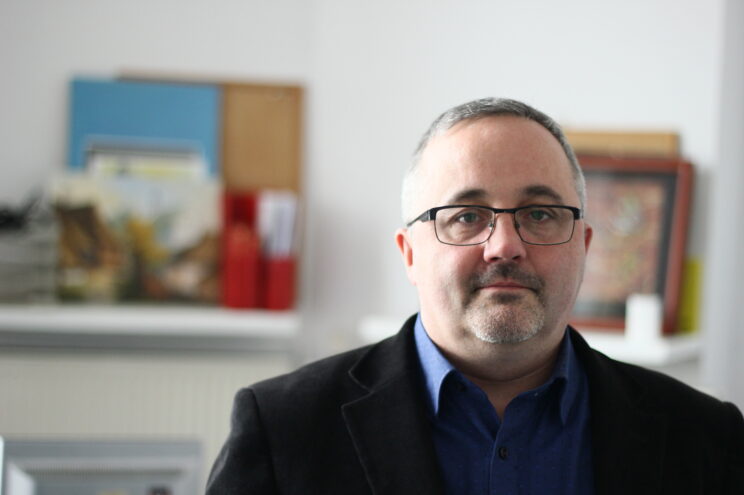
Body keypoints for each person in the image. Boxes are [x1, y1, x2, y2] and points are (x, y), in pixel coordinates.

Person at [206, 98, 744, 494]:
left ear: (582, 246)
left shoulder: (705, 437)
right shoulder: (283, 428)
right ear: (410, 253)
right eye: (466, 216)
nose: (504, 245)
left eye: (540, 213)